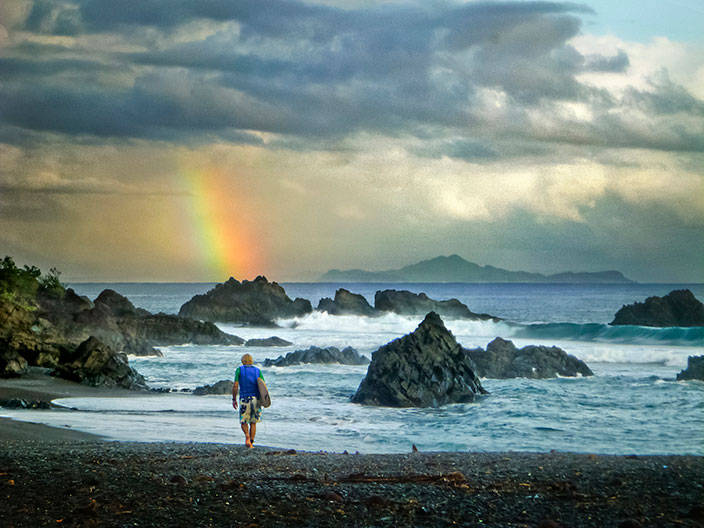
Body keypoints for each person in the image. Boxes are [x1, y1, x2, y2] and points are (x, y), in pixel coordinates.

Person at [232, 353, 265, 448]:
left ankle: (247, 436)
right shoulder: (257, 371)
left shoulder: (239, 370)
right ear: (251, 361)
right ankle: (251, 441)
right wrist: (263, 400)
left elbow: (235, 385)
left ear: (243, 361)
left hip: (244, 398)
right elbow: (263, 386)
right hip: (256, 399)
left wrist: (234, 399)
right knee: (253, 422)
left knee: (244, 421)